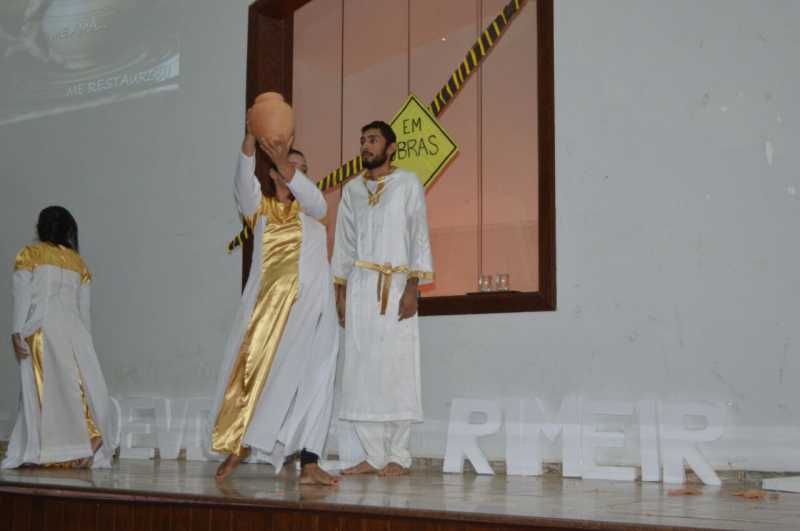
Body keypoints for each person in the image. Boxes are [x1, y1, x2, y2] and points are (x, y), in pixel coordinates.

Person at [208, 123, 339, 486]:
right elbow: (242, 183)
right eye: (289, 166)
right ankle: (241, 444)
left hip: (315, 310)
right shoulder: (260, 211)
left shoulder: (313, 212)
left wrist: (285, 161)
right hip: (269, 313)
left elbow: (314, 198)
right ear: (272, 173)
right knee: (254, 379)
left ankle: (310, 462)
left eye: (303, 170)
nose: (296, 173)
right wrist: (251, 137)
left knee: (318, 379)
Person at [332, 121, 434, 477]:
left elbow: (418, 233)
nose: (366, 146)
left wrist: (413, 287)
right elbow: (344, 244)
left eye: (373, 140)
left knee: (397, 368)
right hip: (361, 288)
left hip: (396, 284)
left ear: (390, 147)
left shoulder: (407, 183)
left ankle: (399, 456)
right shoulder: (351, 190)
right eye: (362, 140)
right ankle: (373, 455)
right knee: (361, 370)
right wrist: (340, 294)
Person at [3, 206, 116, 469]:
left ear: (39, 228)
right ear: (68, 231)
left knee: (45, 392)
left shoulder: (30, 254)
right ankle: (87, 438)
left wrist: (17, 331)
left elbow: (22, 296)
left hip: (42, 329)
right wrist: (86, 342)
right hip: (74, 330)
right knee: (75, 387)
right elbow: (84, 309)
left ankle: (51, 448)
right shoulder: (79, 263)